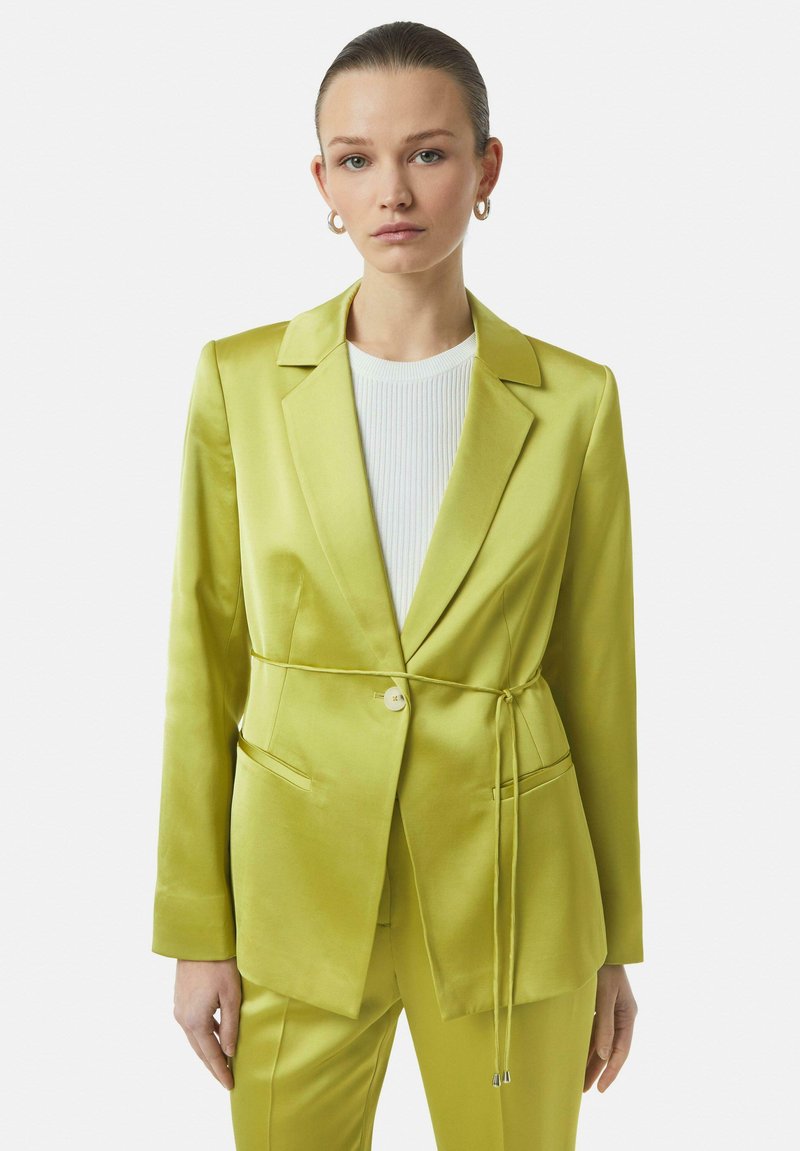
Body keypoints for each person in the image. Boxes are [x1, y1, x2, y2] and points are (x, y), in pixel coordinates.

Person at [151, 19, 643, 1150]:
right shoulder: (239, 382)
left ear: (486, 167)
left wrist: (613, 939)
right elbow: (203, 658)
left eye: (428, 152)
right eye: (356, 158)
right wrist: (196, 926)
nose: (393, 190)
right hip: (294, 892)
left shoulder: (574, 401)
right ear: (321, 180)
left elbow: (597, 676)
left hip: (516, 890)